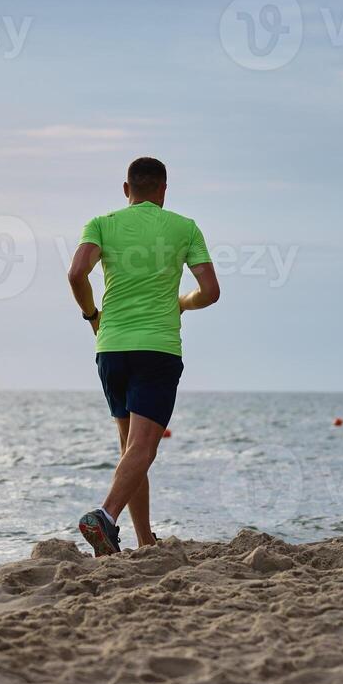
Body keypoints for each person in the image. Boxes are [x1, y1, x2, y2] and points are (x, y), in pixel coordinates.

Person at [67, 157, 220, 555]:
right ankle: (104, 515)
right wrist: (183, 302)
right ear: (163, 191)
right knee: (143, 448)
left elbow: (76, 273)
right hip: (157, 349)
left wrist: (91, 315)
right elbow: (211, 290)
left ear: (126, 189)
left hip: (111, 347)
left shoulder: (101, 223)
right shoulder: (184, 227)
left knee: (131, 450)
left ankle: (143, 539)